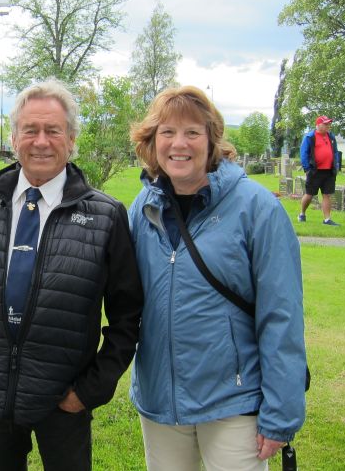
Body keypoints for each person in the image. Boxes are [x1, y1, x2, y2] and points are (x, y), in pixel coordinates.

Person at [0, 79, 144, 471]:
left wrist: (90, 390)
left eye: (53, 130)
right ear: (14, 137)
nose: (41, 141)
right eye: (30, 130)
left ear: (71, 140)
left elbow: (127, 315)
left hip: (65, 400)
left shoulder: (106, 216)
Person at [128, 86, 307, 471]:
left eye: (192, 132)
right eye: (167, 132)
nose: (180, 144)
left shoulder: (256, 208)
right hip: (162, 399)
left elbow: (282, 313)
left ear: (212, 140)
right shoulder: (142, 209)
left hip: (233, 399)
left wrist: (281, 411)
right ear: (151, 141)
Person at [298, 115, 341, 226]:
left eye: (329, 124)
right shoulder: (310, 137)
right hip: (315, 171)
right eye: (325, 124)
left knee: (327, 194)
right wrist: (307, 169)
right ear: (318, 125)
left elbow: (335, 152)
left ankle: (327, 219)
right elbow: (304, 154)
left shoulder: (331, 137)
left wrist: (336, 164)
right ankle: (302, 214)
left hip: (329, 171)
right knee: (309, 194)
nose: (328, 126)